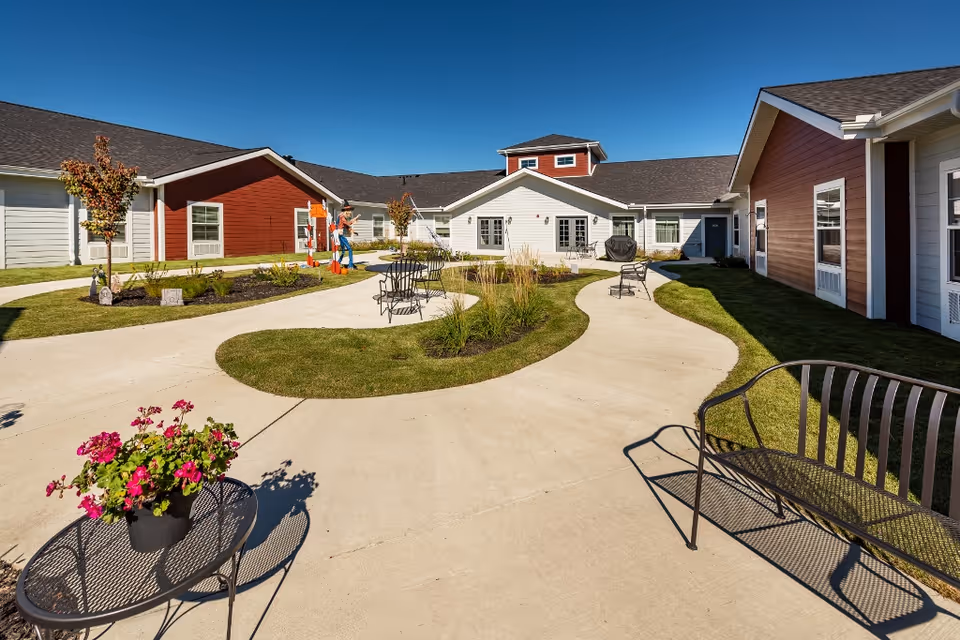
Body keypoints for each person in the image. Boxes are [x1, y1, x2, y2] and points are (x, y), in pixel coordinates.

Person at [337, 205, 360, 269]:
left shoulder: (341, 216)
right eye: (349, 211)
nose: (350, 213)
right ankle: (350, 265)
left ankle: (338, 262)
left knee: (343, 250)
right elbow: (348, 224)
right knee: (349, 249)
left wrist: (353, 231)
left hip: (339, 235)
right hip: (340, 235)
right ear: (346, 211)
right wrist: (355, 219)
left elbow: (347, 226)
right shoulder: (341, 217)